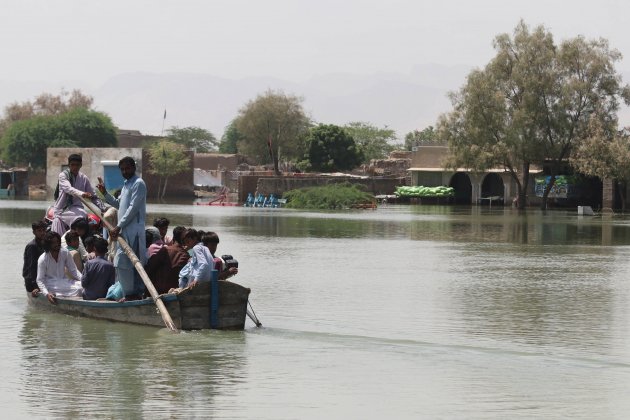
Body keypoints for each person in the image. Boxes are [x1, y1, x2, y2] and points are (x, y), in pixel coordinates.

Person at [97, 156, 147, 299]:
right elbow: (119, 205)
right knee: (121, 263)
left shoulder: (139, 183)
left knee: (133, 263)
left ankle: (134, 294)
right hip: (124, 230)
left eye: (127, 168)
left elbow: (133, 209)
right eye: (122, 169)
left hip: (134, 231)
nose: (125, 171)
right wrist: (105, 194)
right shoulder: (126, 185)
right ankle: (128, 293)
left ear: (133, 168)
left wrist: (118, 226)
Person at [51, 154, 104, 235]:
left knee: (85, 221)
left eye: (77, 165)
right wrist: (82, 194)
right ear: (69, 165)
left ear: (81, 165)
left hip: (77, 208)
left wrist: (103, 208)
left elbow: (93, 197)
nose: (75, 167)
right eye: (72, 165)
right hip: (62, 210)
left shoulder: (84, 178)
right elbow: (69, 189)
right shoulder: (63, 175)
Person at [34, 231, 83, 303]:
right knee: (78, 289)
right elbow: (40, 280)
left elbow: (74, 270)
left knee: (83, 286)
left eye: (57, 241)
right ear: (48, 244)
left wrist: (84, 280)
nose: (57, 244)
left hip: (64, 281)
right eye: (53, 243)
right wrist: (47, 294)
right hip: (50, 284)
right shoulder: (43, 259)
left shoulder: (65, 252)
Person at [145, 227, 190, 294]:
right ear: (185, 240)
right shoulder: (185, 255)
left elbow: (149, 267)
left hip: (157, 290)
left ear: (174, 237)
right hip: (173, 291)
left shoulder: (165, 250)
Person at [23, 220, 47, 292]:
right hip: (32, 281)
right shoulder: (32, 246)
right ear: (34, 232)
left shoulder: (44, 244)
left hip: (41, 278)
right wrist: (35, 286)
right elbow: (32, 267)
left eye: (43, 230)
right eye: (39, 231)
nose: (42, 233)